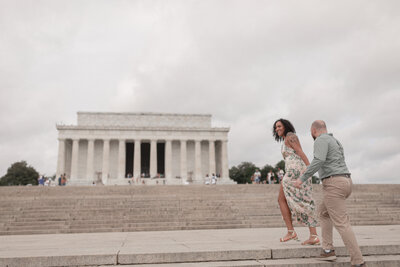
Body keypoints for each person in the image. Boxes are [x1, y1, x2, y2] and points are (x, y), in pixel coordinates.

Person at [294, 120, 365, 267]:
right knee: (323, 213)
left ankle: (358, 262)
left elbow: (319, 160)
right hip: (345, 181)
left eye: (311, 132)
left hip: (334, 184)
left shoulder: (320, 139)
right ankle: (327, 250)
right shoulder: (335, 141)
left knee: (342, 223)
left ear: (313, 130)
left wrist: (302, 178)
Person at [272, 118, 319, 245]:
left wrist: (309, 169)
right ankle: (310, 235)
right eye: (276, 127)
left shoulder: (290, 136)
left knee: (296, 200)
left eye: (279, 126)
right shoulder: (286, 139)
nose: (277, 129)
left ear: (286, 126)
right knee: (291, 199)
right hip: (293, 170)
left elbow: (300, 152)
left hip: (295, 171)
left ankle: (292, 232)